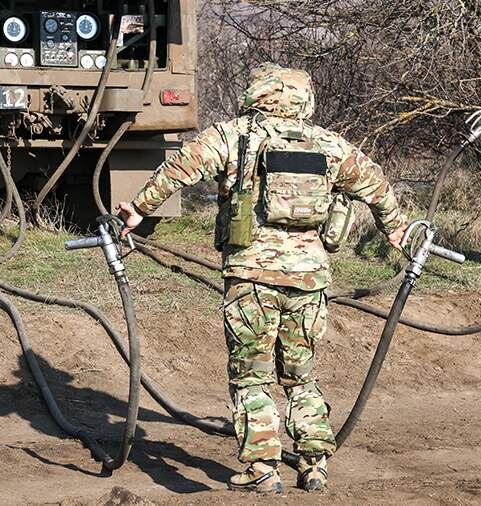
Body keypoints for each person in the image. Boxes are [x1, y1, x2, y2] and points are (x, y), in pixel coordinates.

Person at [117, 64, 407, 493]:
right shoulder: (329, 144)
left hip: (251, 276)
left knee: (252, 375)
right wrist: (397, 228)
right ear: (303, 98)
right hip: (310, 280)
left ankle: (262, 470)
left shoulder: (233, 135)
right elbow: (376, 184)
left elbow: (182, 168)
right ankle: (313, 466)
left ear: (257, 93)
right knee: (301, 375)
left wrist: (138, 209)